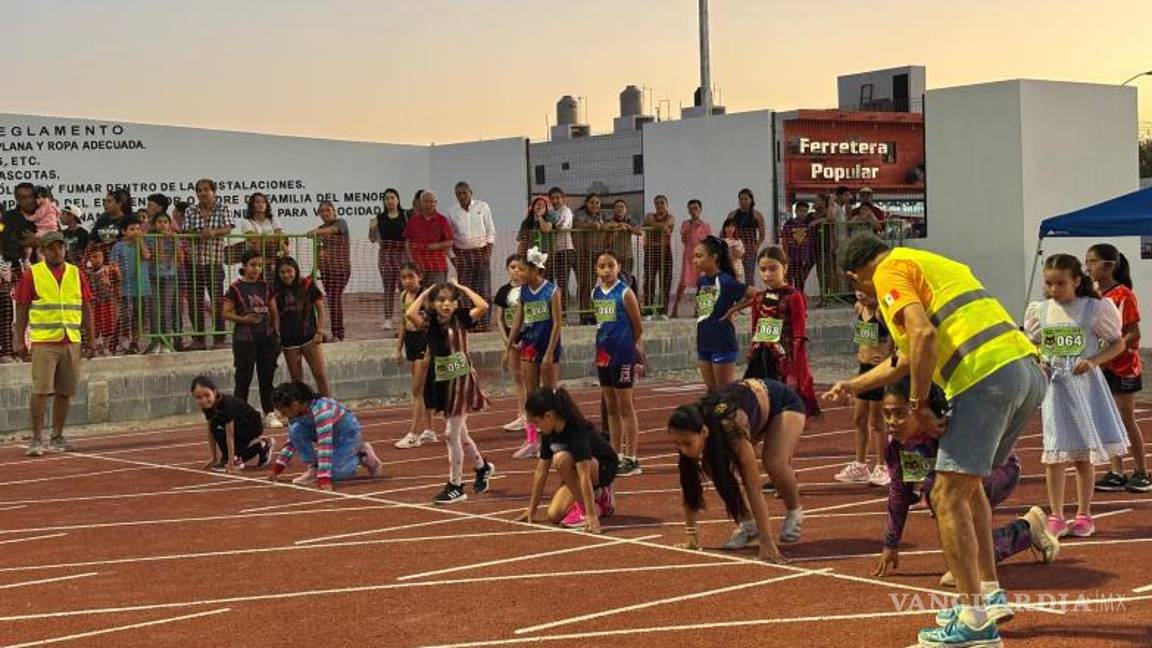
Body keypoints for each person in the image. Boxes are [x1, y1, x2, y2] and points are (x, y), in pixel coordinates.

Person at [824, 234, 1046, 648]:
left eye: (858, 286)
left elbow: (922, 335)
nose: (863, 293)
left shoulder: (888, 271)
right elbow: (905, 357)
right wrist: (855, 385)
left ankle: (973, 621)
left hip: (983, 376)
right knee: (967, 485)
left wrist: (919, 404)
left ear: (859, 274)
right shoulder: (928, 263)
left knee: (945, 496)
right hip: (1024, 371)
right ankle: (988, 595)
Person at [872, 377, 1060, 592]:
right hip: (954, 486)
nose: (892, 422)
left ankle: (995, 552)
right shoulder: (898, 447)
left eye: (900, 413)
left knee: (942, 490)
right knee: (937, 492)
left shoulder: (947, 430)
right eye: (887, 414)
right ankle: (1028, 528)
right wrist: (891, 543)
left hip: (998, 472)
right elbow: (900, 492)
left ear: (919, 409)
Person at [1024, 254, 1128, 538]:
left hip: (1084, 387)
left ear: (1077, 281)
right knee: (1054, 453)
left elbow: (1118, 343)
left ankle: (1084, 514)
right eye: (1049, 284)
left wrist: (1094, 360)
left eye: (1060, 283)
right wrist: (1038, 359)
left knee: (1083, 454)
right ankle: (1056, 515)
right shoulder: (1040, 311)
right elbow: (1030, 344)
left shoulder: (1093, 309)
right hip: (1054, 388)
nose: (1054, 289)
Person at [668, 378, 806, 560]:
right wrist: (692, 538)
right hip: (749, 410)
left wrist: (767, 542)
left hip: (782, 404)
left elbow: (753, 489)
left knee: (773, 462)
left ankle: (794, 511)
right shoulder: (690, 429)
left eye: (687, 444)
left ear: (704, 432)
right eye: (677, 444)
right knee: (713, 468)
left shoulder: (734, 432)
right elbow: (690, 488)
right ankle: (749, 526)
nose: (683, 450)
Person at [405, 280, 495, 504]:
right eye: (441, 300)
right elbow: (410, 314)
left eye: (450, 300)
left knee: (450, 434)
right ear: (433, 303)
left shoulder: (462, 318)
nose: (446, 304)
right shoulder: (430, 322)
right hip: (444, 383)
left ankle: (455, 485)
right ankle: (482, 468)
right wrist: (426, 291)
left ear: (456, 303)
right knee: (461, 434)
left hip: (462, 381)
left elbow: (483, 306)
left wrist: (463, 288)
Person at [13, 232, 96, 456]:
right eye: (52, 248)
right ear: (43, 250)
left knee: (65, 391)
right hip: (44, 341)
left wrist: (91, 338)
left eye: (60, 247)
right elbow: (22, 307)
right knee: (40, 390)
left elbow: (86, 306)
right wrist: (19, 338)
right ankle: (37, 439)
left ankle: (58, 436)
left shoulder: (75, 273)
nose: (57, 251)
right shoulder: (33, 274)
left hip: (71, 339)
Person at [1086, 244, 1148, 492]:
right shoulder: (1090, 296)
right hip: (1101, 366)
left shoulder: (1123, 295)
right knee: (1107, 418)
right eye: (1086, 261)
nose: (1087, 267)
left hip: (1123, 366)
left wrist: (1114, 347)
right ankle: (1116, 471)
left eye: (1092, 262)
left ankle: (1142, 471)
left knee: (1126, 417)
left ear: (1109, 266)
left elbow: (1134, 332)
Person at [518, 387, 618, 532]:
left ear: (548, 416)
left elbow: (584, 474)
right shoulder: (548, 433)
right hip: (577, 469)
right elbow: (541, 471)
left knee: (561, 459)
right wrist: (532, 508)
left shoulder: (577, 431)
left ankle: (597, 497)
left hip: (602, 468)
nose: (536, 427)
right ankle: (602, 503)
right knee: (554, 515)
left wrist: (590, 515)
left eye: (536, 422)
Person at [742, 246, 819, 417]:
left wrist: (796, 365)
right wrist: (753, 350)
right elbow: (756, 328)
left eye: (773, 268)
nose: (767, 274)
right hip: (762, 356)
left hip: (786, 356)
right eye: (763, 270)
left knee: (786, 407)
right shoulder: (759, 298)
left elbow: (799, 333)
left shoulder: (794, 296)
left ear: (784, 267)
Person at [506, 246, 564, 460]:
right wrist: (508, 347)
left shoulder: (552, 291)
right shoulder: (523, 292)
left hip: (547, 345)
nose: (518, 274)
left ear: (535, 270)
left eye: (522, 270)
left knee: (550, 395)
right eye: (517, 270)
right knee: (531, 397)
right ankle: (531, 441)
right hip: (529, 346)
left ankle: (557, 438)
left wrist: (549, 353)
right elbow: (518, 320)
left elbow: (558, 324)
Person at [268, 382, 383, 489]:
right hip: (326, 433)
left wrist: (324, 478)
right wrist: (277, 468)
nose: (282, 415)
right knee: (295, 430)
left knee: (336, 474)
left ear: (295, 405)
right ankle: (313, 468)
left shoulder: (322, 411)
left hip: (346, 435)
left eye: (283, 411)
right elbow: (292, 441)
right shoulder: (295, 415)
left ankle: (362, 455)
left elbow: (325, 444)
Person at [835, 289, 895, 486]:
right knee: (859, 418)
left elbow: (897, 335)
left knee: (878, 421)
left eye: (865, 290)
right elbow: (865, 340)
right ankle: (860, 464)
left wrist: (888, 357)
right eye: (856, 290)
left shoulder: (882, 311)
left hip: (879, 372)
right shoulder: (859, 308)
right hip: (863, 369)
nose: (859, 294)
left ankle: (882, 466)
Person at [594, 250, 644, 477]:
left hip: (622, 355)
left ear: (618, 267)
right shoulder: (596, 292)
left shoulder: (625, 293)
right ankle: (615, 454)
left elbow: (637, 326)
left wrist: (630, 350)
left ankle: (631, 457)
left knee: (625, 406)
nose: (605, 270)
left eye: (610, 266)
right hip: (603, 355)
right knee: (610, 406)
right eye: (601, 266)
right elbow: (601, 324)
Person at [223, 249, 282, 429]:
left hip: (266, 338)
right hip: (244, 340)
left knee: (267, 377)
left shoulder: (265, 286)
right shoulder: (235, 288)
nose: (256, 269)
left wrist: (275, 332)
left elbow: (273, 310)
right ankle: (239, 415)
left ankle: (269, 412)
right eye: (253, 265)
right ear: (244, 266)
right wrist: (244, 320)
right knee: (243, 378)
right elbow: (225, 313)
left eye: (259, 265)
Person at [694, 236, 756, 392]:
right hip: (703, 341)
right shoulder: (701, 281)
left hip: (722, 342)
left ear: (714, 257)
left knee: (725, 394)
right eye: (694, 256)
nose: (695, 260)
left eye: (699, 256)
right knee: (712, 393)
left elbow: (757, 294)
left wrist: (733, 309)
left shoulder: (725, 281)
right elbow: (705, 310)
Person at [270, 256, 332, 399]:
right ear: (278, 274)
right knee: (296, 381)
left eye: (289, 271)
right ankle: (302, 412)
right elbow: (274, 316)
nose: (286, 275)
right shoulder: (275, 291)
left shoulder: (307, 285)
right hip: (289, 341)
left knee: (320, 374)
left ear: (296, 270)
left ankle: (330, 406)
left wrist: (320, 331)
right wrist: (276, 338)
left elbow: (321, 309)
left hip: (310, 338)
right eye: (282, 272)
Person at [184, 179, 234, 350]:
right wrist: (198, 234)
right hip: (194, 262)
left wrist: (213, 232)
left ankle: (219, 339)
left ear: (214, 191)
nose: (202, 193)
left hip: (214, 261)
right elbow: (185, 231)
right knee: (194, 301)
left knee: (217, 301)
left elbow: (228, 228)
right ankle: (198, 339)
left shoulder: (223, 208)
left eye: (206, 189)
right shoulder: (191, 209)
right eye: (199, 190)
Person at [190, 375, 275, 472]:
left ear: (214, 391)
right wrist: (214, 458)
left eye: (207, 395)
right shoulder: (207, 406)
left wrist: (231, 462)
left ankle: (262, 445)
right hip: (238, 426)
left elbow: (229, 435)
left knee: (231, 455)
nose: (204, 400)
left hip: (251, 424)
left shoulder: (226, 404)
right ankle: (237, 455)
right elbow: (210, 431)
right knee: (214, 425)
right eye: (199, 397)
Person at [393, 263, 437, 449]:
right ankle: (429, 430)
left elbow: (429, 325)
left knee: (417, 390)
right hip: (410, 342)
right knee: (422, 389)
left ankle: (413, 433)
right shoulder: (404, 296)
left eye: (411, 276)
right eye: (404, 278)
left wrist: (429, 351)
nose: (408, 281)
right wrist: (398, 348)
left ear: (420, 276)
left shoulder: (425, 297)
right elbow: (403, 323)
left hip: (424, 341)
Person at [1, 183, 41, 363]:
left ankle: (38, 348)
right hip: (18, 271)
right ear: (17, 199)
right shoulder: (9, 218)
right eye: (23, 197)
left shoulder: (44, 214)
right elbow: (5, 243)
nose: (28, 200)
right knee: (17, 313)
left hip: (43, 272)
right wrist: (27, 244)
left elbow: (56, 238)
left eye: (31, 196)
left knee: (40, 312)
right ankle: (15, 349)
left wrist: (40, 242)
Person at [448, 181, 496, 331]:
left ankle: (485, 325)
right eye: (458, 194)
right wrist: (453, 258)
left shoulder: (483, 207)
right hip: (461, 254)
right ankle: (468, 325)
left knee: (484, 291)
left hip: (481, 252)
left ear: (471, 192)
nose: (462, 196)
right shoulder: (452, 212)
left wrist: (487, 253)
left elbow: (490, 230)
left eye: (464, 192)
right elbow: (449, 237)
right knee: (465, 292)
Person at [493, 255, 528, 433]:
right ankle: (522, 414)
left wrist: (525, 338)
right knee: (518, 377)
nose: (516, 271)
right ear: (508, 269)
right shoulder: (503, 291)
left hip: (527, 339)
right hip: (511, 340)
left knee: (530, 377)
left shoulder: (529, 289)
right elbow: (499, 318)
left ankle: (534, 415)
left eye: (520, 268)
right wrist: (507, 340)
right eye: (513, 267)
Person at [110, 218, 153, 355]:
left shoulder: (142, 244)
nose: (136, 232)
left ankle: (135, 343)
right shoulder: (119, 246)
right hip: (125, 289)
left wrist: (139, 241)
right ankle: (119, 340)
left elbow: (146, 256)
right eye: (132, 229)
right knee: (125, 317)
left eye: (138, 229)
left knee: (139, 317)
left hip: (142, 288)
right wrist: (118, 275)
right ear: (124, 232)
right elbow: (113, 265)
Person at [308, 201, 350, 342]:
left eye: (328, 210)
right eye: (322, 211)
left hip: (341, 269)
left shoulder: (341, 222)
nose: (325, 213)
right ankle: (333, 333)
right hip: (326, 270)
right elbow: (319, 252)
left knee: (334, 299)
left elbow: (334, 230)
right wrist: (314, 271)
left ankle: (338, 334)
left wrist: (316, 232)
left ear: (334, 211)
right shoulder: (320, 229)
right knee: (331, 300)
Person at [369, 188, 409, 330]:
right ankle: (388, 319)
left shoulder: (406, 215)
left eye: (392, 197)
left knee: (405, 287)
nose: (390, 200)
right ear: (384, 201)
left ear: (398, 200)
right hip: (386, 255)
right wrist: (372, 228)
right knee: (388, 288)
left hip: (403, 254)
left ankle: (407, 316)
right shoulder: (379, 218)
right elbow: (372, 239)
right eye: (387, 198)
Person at [147, 212, 184, 352]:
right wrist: (160, 240)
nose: (162, 224)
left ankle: (166, 341)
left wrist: (174, 242)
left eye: (165, 222)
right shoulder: (150, 239)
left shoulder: (174, 239)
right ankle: (155, 341)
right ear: (154, 224)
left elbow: (180, 259)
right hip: (153, 277)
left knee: (166, 309)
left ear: (169, 225)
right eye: (159, 222)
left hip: (169, 277)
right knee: (154, 310)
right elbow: (156, 258)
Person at [403, 190, 455, 286]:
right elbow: (407, 243)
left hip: (438, 267)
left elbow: (450, 242)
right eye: (425, 201)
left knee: (437, 297)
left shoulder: (442, 220)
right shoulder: (413, 221)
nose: (428, 204)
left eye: (431, 202)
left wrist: (431, 246)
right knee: (419, 298)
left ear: (436, 203)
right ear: (421, 203)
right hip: (418, 268)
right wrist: (411, 263)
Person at [670, 199, 712, 319]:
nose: (693, 211)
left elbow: (709, 242)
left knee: (704, 282)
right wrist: (692, 226)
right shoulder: (685, 223)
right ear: (688, 210)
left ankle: (700, 310)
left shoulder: (705, 225)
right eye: (691, 208)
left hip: (703, 258)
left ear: (700, 210)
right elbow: (683, 237)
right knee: (683, 282)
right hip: (689, 257)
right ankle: (675, 308)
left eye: (696, 208)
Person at [572, 194, 604, 325]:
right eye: (592, 202)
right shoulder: (579, 214)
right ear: (586, 203)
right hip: (581, 254)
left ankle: (590, 313)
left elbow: (604, 227)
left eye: (597, 202)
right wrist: (594, 226)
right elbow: (579, 225)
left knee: (591, 285)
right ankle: (583, 314)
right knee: (583, 285)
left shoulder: (600, 216)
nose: (595, 205)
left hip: (595, 254)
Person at [641, 195, 675, 318]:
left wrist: (659, 225)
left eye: (662, 203)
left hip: (665, 250)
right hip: (651, 250)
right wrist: (662, 226)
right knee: (649, 280)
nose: (659, 206)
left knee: (665, 281)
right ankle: (648, 310)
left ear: (667, 204)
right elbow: (650, 222)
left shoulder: (671, 217)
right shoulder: (650, 215)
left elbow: (668, 223)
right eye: (657, 203)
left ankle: (662, 311)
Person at [84, 245, 119, 356]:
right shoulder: (86, 272)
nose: (97, 259)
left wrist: (116, 274)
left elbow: (118, 281)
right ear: (89, 259)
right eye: (94, 257)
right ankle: (93, 346)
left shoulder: (108, 270)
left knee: (108, 324)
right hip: (93, 303)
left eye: (99, 256)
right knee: (94, 324)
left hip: (107, 301)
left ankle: (106, 346)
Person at [545, 187, 576, 313]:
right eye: (552, 198)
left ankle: (562, 312)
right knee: (549, 280)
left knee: (563, 281)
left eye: (558, 198)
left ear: (563, 198)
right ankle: (551, 311)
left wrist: (551, 225)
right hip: (552, 251)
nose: (555, 200)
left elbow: (562, 225)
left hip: (565, 250)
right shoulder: (550, 211)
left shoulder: (566, 211)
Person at [727, 189, 766, 285]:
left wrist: (755, 247)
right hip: (735, 249)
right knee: (734, 275)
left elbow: (762, 235)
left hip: (750, 250)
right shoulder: (732, 215)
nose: (743, 201)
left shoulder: (757, 215)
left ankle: (751, 299)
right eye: (740, 199)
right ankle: (735, 298)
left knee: (749, 277)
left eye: (745, 199)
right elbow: (725, 232)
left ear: (751, 200)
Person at [239, 192, 286, 267]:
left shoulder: (273, 219)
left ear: (267, 205)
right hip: (255, 260)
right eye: (257, 202)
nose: (261, 204)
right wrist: (273, 238)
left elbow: (279, 236)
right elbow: (253, 239)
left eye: (263, 202)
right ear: (252, 205)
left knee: (283, 244)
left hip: (273, 257)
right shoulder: (246, 222)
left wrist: (262, 238)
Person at [91, 187, 133, 254]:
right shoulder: (102, 218)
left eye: (109, 201)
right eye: (105, 201)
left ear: (119, 204)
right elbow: (93, 239)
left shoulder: (130, 219)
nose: (105, 204)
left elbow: (132, 239)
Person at [720, 218, 746, 283]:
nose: (730, 229)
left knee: (739, 291)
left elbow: (741, 256)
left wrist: (733, 249)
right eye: (728, 226)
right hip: (726, 271)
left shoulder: (738, 241)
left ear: (735, 228)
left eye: (732, 226)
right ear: (724, 228)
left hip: (738, 271)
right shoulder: (721, 241)